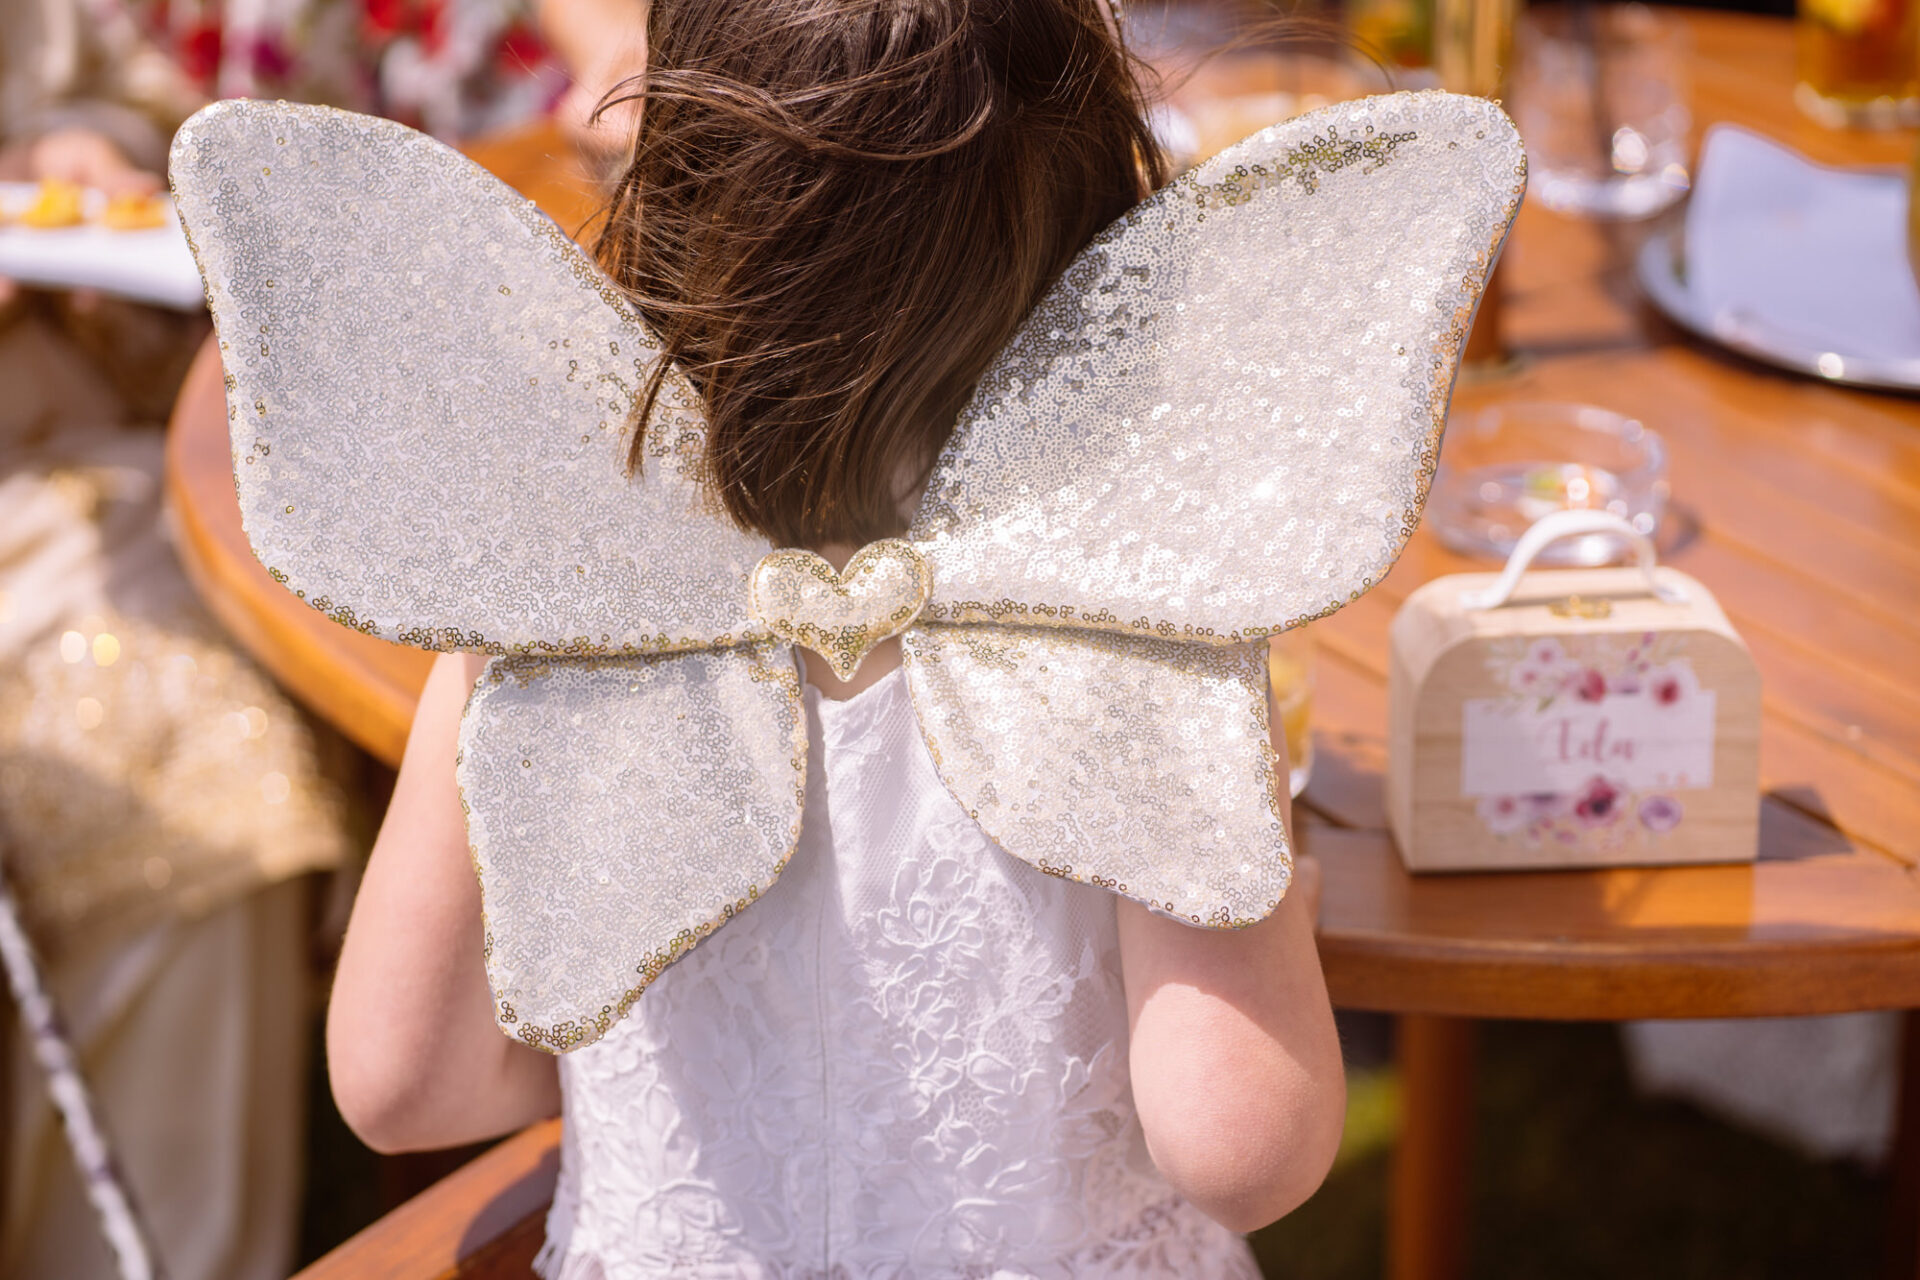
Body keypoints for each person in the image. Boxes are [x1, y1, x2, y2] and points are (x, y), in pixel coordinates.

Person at [324, 1, 1348, 1275]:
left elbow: (403, 1081)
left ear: (669, 188)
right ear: (1106, 221)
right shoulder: (1138, 594)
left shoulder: (554, 575)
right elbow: (1247, 1142)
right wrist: (1268, 901)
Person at [0, 2, 350, 1276]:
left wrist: (71, 151)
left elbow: (104, 93)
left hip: (111, 465)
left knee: (237, 683)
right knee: (188, 729)